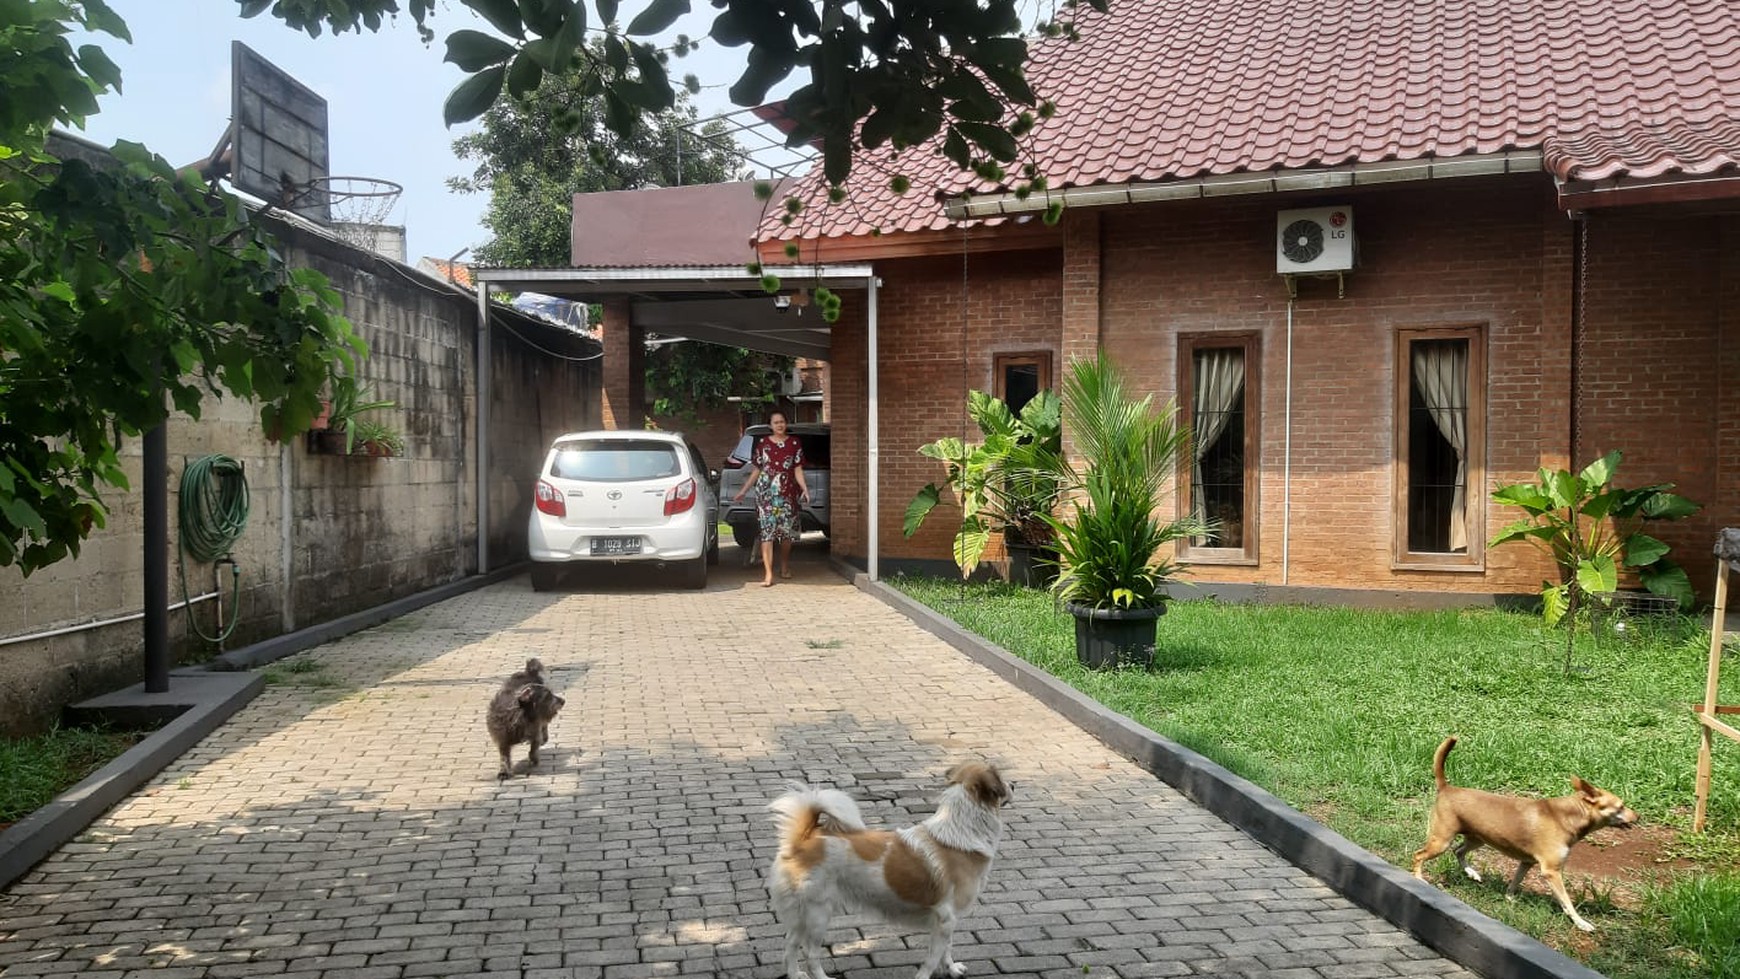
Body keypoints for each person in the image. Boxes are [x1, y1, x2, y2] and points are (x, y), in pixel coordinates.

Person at [730, 411, 810, 587]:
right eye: (776, 422)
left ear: (786, 423)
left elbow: (797, 469)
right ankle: (768, 574)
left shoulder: (794, 443)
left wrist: (804, 488)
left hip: (788, 495)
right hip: (766, 495)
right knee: (767, 534)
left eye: (782, 422)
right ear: (771, 426)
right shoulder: (763, 444)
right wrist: (744, 490)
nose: (779, 425)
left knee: (787, 534)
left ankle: (784, 565)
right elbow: (757, 469)